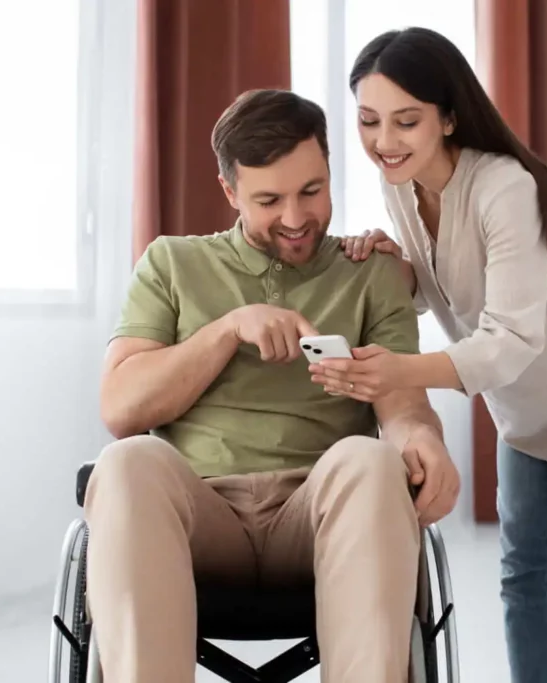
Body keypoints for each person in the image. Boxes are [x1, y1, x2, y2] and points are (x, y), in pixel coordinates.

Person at [309, 27, 547, 683]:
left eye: (406, 121)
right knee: (524, 572)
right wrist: (392, 267)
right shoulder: (401, 187)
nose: (384, 141)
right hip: (531, 405)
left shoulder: (503, 187)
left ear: (448, 117)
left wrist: (398, 370)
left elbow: (510, 338)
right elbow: (446, 286)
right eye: (369, 121)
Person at [89, 88, 460, 683]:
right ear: (230, 192)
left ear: (331, 173)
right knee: (128, 461)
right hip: (199, 516)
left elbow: (404, 409)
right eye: (269, 200)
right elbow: (121, 406)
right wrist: (227, 330)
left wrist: (423, 439)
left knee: (370, 460)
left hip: (320, 517)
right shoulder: (171, 264)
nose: (295, 218)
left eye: (312, 191)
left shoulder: (372, 274)